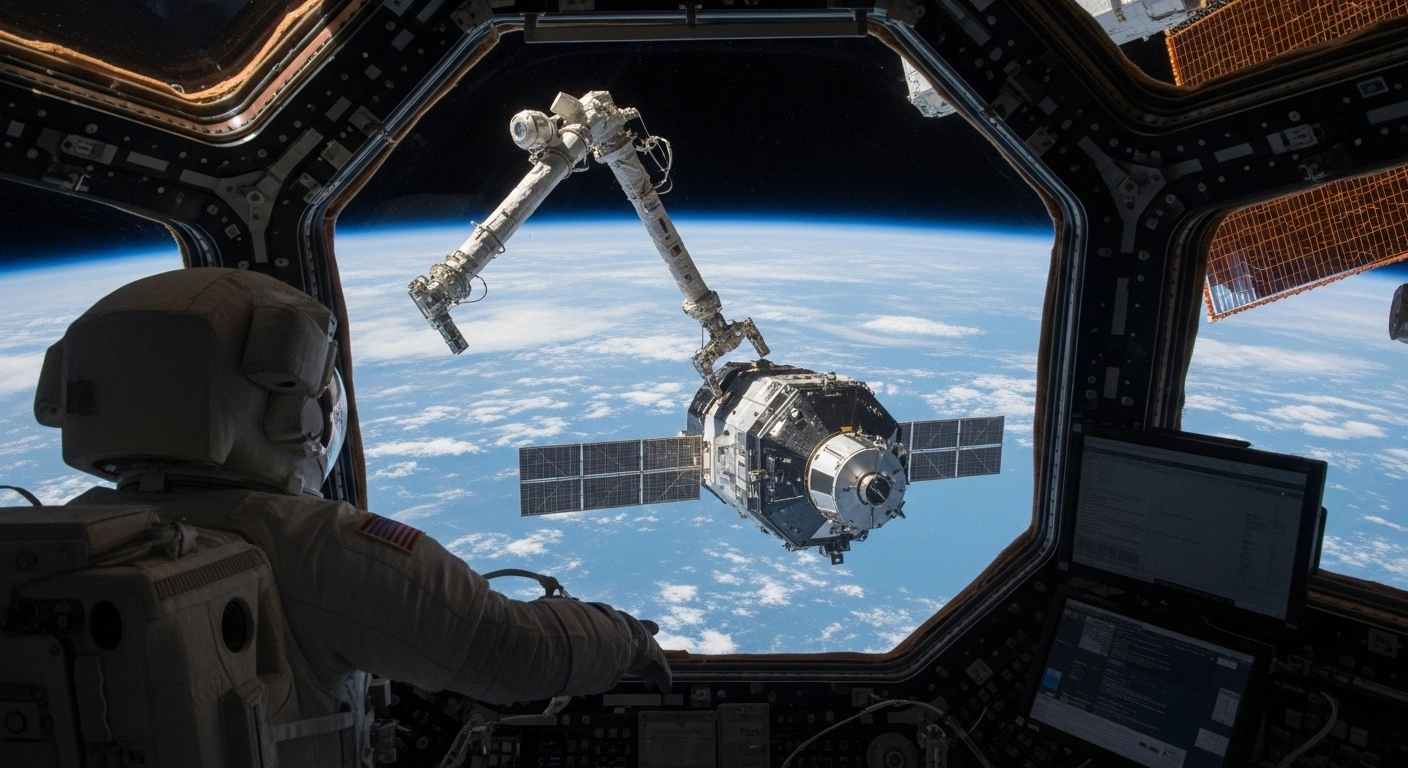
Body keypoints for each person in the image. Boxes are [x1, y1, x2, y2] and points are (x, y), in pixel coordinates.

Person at [29, 267, 670, 767]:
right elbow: (515, 656)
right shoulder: (319, 549)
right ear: (289, 410)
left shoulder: (54, 549)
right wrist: (629, 637)